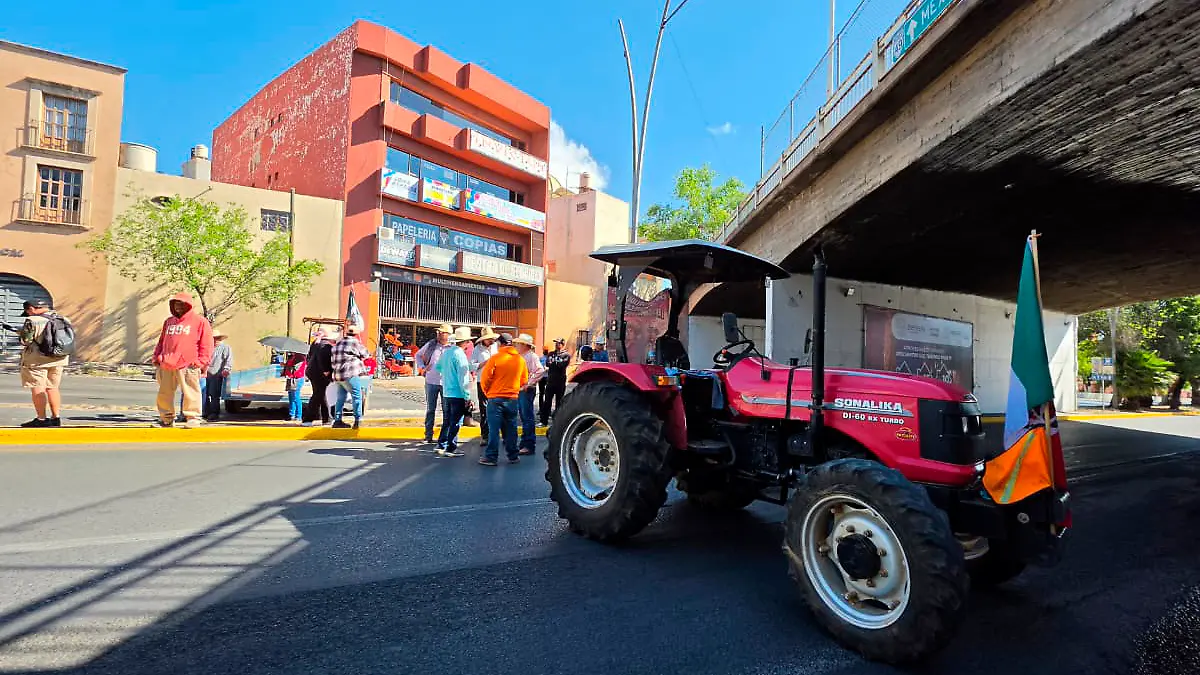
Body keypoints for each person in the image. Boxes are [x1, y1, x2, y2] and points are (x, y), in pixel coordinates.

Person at [153, 292, 214, 428]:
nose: (178, 307)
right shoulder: (169, 322)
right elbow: (161, 341)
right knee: (164, 394)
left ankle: (193, 417)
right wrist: (157, 357)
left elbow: (207, 345)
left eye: (181, 304)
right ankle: (166, 419)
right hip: (166, 363)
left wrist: (200, 362)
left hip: (188, 364)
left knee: (191, 392)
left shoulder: (200, 322)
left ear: (188, 305)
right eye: (175, 304)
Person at [15, 299, 69, 428]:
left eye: (28, 312)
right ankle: (56, 418)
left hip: (37, 360)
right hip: (58, 358)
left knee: (38, 387)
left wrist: (19, 333)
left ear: (31, 309)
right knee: (53, 387)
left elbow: (25, 341)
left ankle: (41, 419)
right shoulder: (64, 319)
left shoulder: (32, 321)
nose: (28, 314)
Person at [478, 333, 527, 466]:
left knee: (494, 429)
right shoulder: (520, 360)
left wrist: (488, 392)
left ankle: (491, 457)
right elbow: (524, 380)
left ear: (500, 343)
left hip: (495, 398)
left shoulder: (495, 358)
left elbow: (485, 379)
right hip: (512, 399)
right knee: (511, 428)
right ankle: (513, 455)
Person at [433, 326, 473, 457]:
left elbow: (438, 367)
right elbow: (463, 378)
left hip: (447, 391)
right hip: (457, 393)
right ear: (466, 342)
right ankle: (451, 447)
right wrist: (467, 396)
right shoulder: (460, 355)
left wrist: (448, 374)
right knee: (456, 422)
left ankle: (441, 444)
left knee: (448, 420)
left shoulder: (447, 352)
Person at [415, 324, 452, 443]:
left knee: (447, 410)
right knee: (431, 409)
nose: (439, 334)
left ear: (448, 334)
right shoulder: (431, 344)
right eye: (438, 332)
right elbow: (418, 355)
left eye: (442, 332)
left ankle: (444, 437)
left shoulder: (453, 347)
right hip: (431, 381)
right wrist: (422, 367)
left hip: (447, 383)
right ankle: (428, 435)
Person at [331, 325, 371, 429]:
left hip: (338, 375)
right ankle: (358, 420)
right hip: (350, 373)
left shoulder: (338, 343)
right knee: (357, 396)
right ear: (357, 334)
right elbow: (366, 354)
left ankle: (337, 420)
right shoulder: (355, 342)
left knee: (340, 398)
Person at [513, 333, 545, 456]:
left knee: (527, 417)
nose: (517, 345)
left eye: (519, 344)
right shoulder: (522, 356)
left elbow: (539, 371)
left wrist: (528, 383)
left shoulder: (531, 356)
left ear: (524, 345)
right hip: (522, 389)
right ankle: (525, 443)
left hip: (526, 390)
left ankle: (528, 444)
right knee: (524, 416)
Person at [470, 327, 500, 445]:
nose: (491, 341)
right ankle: (485, 435)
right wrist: (486, 363)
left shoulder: (495, 347)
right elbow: (472, 366)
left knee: (496, 408)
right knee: (484, 409)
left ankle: (495, 434)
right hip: (482, 382)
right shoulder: (477, 350)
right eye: (489, 339)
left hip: (496, 381)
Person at [302, 331, 334, 426]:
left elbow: (309, 357)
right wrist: (326, 371)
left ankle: (327, 418)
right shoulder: (325, 346)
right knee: (318, 395)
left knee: (322, 395)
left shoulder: (316, 344)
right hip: (320, 374)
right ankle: (308, 419)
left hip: (313, 373)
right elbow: (323, 359)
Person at [203, 330, 233, 422]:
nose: (216, 340)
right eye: (214, 339)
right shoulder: (207, 347)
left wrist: (226, 369)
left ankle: (214, 413)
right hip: (205, 374)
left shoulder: (225, 348)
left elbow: (229, 360)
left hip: (216, 375)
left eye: (218, 338)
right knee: (205, 394)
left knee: (214, 394)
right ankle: (205, 412)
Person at [541, 338, 571, 426]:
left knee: (559, 402)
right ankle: (543, 421)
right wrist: (555, 363)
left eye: (558, 343)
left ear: (562, 344)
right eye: (556, 343)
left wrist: (554, 363)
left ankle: (557, 422)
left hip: (560, 381)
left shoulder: (566, 355)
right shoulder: (551, 354)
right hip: (550, 381)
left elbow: (562, 365)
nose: (556, 345)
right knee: (547, 401)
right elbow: (547, 363)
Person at [282, 351, 307, 422]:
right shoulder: (293, 357)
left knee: (296, 397)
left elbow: (295, 368)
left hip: (296, 379)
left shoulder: (300, 357)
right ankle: (291, 415)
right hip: (291, 378)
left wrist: (286, 366)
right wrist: (285, 365)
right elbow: (290, 366)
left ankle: (298, 416)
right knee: (291, 397)